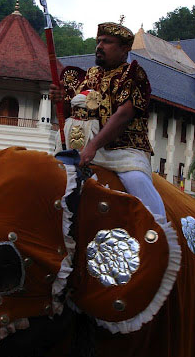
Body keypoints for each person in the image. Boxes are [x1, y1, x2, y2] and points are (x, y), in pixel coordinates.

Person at [51, 21, 165, 218]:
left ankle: (160, 230)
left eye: (106, 42)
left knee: (137, 180)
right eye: (98, 41)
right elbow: (74, 112)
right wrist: (60, 101)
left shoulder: (132, 74)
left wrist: (93, 146)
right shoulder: (91, 75)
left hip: (123, 152)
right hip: (81, 149)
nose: (99, 47)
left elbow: (124, 115)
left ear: (124, 49)